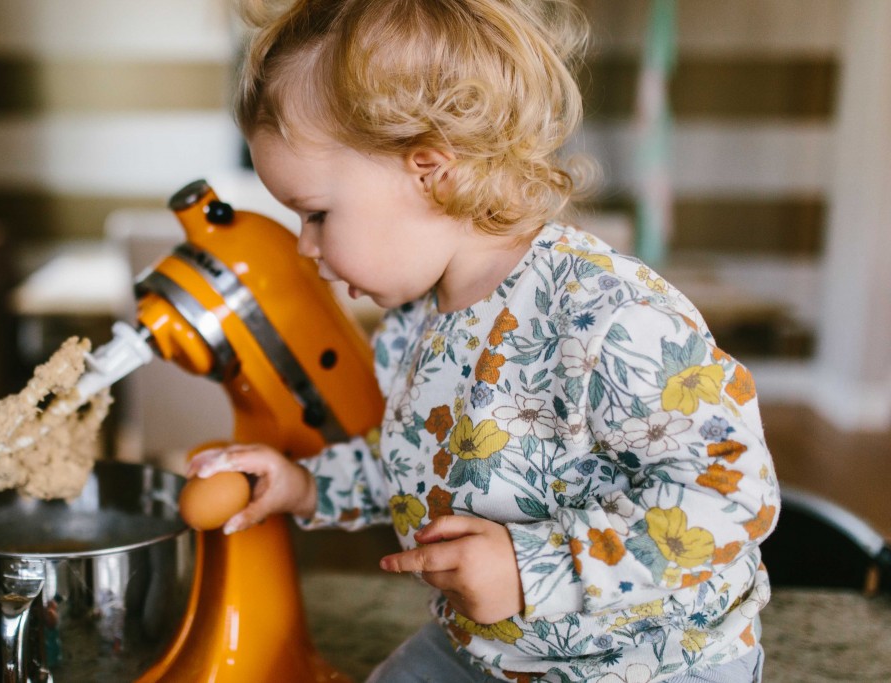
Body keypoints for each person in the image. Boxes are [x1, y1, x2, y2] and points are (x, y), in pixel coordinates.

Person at [187, 1, 779, 681]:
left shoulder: (610, 314)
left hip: (650, 663)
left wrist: (534, 568)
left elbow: (732, 493)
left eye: (317, 214)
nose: (305, 247)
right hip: (492, 651)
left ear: (433, 170)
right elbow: (416, 463)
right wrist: (304, 485)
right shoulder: (421, 316)